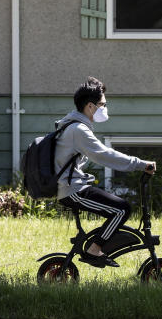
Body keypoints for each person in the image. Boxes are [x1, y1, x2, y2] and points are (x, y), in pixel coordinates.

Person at [54, 77, 156, 268]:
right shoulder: (78, 130)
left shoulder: (72, 125)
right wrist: (140, 164)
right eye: (103, 104)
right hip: (73, 190)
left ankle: (97, 246)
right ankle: (94, 250)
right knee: (121, 209)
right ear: (90, 106)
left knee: (119, 208)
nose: (105, 108)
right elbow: (105, 155)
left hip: (73, 186)